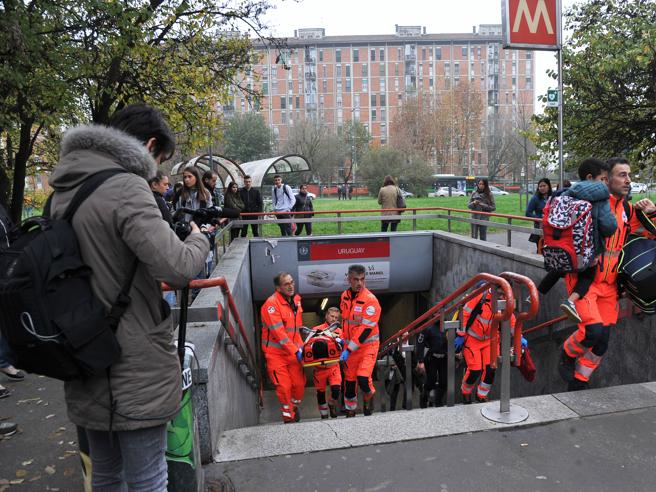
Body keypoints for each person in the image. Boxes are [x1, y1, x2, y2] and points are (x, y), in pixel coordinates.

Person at [48, 103, 209, 489]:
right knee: (149, 476)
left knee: (105, 473)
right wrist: (199, 238)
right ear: (149, 146)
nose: (158, 174)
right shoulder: (126, 187)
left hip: (83, 353)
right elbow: (178, 268)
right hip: (132, 361)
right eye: (160, 162)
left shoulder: (64, 191)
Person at [559, 157, 656, 391]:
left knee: (602, 342)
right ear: (607, 179)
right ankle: (567, 354)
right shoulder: (591, 205)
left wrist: (652, 212)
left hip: (610, 286)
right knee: (592, 331)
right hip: (586, 283)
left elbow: (650, 235)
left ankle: (579, 382)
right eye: (622, 175)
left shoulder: (627, 210)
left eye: (629, 175)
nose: (628, 180)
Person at [537, 159, 618, 323]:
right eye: (603, 179)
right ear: (590, 177)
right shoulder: (600, 196)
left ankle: (535, 295)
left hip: (564, 244)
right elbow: (609, 227)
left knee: (560, 267)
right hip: (587, 250)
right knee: (588, 275)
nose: (605, 183)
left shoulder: (566, 192)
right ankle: (571, 301)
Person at [456, 284, 521, 403]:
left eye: (504, 294)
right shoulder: (480, 296)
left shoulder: (505, 300)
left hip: (491, 340)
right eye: (500, 293)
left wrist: (519, 337)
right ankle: (466, 392)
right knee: (474, 370)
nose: (502, 297)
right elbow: (464, 314)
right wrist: (461, 335)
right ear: (493, 289)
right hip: (473, 339)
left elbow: (511, 320)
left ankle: (481, 395)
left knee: (491, 369)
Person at [260, 272, 305, 423]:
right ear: (278, 288)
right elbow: (279, 334)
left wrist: (302, 348)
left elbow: (296, 331)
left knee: (299, 385)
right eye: (286, 284)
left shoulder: (296, 301)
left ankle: (294, 407)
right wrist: (295, 350)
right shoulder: (271, 305)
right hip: (276, 355)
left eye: (292, 282)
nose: (291, 286)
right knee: (284, 388)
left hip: (292, 353)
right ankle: (289, 419)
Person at [339, 264, 381, 417]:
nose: (359, 283)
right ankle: (350, 412)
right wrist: (343, 343)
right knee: (349, 384)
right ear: (349, 279)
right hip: (350, 347)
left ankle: (369, 396)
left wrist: (349, 348)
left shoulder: (371, 301)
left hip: (367, 346)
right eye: (356, 280)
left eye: (362, 279)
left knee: (363, 378)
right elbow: (345, 323)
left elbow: (365, 330)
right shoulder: (344, 296)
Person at [311, 307, 342, 419]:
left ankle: (332, 404)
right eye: (332, 316)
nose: (334, 319)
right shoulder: (316, 329)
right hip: (319, 368)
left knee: (336, 390)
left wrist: (339, 341)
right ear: (326, 316)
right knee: (320, 393)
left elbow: (343, 346)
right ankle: (324, 415)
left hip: (333, 366)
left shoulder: (339, 331)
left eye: (336, 317)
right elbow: (309, 345)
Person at [415, 320, 447, 408]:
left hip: (444, 358)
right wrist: (420, 361)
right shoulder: (428, 327)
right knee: (431, 380)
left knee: (444, 381)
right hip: (431, 358)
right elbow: (420, 344)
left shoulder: (447, 326)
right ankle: (424, 398)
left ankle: (438, 402)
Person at [525, 178, 552, 252]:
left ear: (549, 186)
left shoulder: (553, 197)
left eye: (544, 186)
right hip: (540, 227)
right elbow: (528, 213)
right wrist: (540, 218)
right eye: (540, 186)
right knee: (541, 249)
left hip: (552, 227)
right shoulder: (535, 198)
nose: (542, 188)